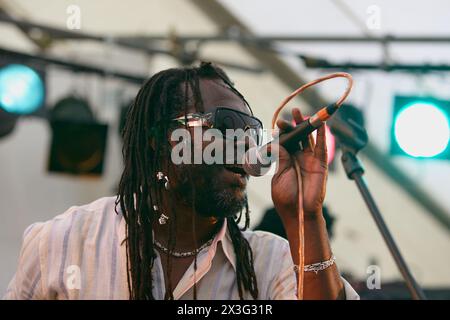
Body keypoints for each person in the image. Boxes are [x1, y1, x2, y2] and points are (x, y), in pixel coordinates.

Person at [4, 62, 358, 300]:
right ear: (162, 142)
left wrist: (305, 218)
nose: (245, 145)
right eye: (226, 126)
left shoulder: (270, 262)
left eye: (250, 132)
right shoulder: (63, 242)